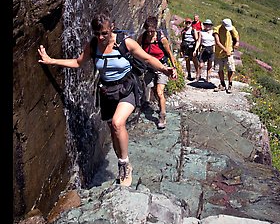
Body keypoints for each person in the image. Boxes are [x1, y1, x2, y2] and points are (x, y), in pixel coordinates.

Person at [38, 12, 177, 187]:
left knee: (118, 123)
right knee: (113, 128)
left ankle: (125, 165)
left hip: (127, 87)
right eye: (97, 33)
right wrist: (52, 61)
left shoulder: (125, 42)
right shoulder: (94, 45)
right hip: (107, 91)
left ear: (111, 27)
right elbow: (78, 62)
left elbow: (148, 58)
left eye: (104, 33)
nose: (101, 37)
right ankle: (121, 160)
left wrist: (165, 69)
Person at [137, 16, 176, 129]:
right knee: (152, 89)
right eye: (148, 31)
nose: (149, 33)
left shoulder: (161, 39)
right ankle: (157, 105)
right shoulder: (143, 37)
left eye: (152, 31)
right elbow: (135, 48)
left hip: (162, 67)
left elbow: (169, 54)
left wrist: (174, 68)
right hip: (149, 67)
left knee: (159, 92)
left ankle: (162, 115)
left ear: (155, 29)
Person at [213, 18, 240, 93]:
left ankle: (230, 84)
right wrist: (225, 50)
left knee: (230, 69)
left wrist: (237, 42)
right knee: (219, 69)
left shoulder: (232, 28)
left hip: (229, 52)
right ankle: (222, 84)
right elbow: (217, 42)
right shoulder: (217, 29)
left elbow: (236, 35)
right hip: (219, 53)